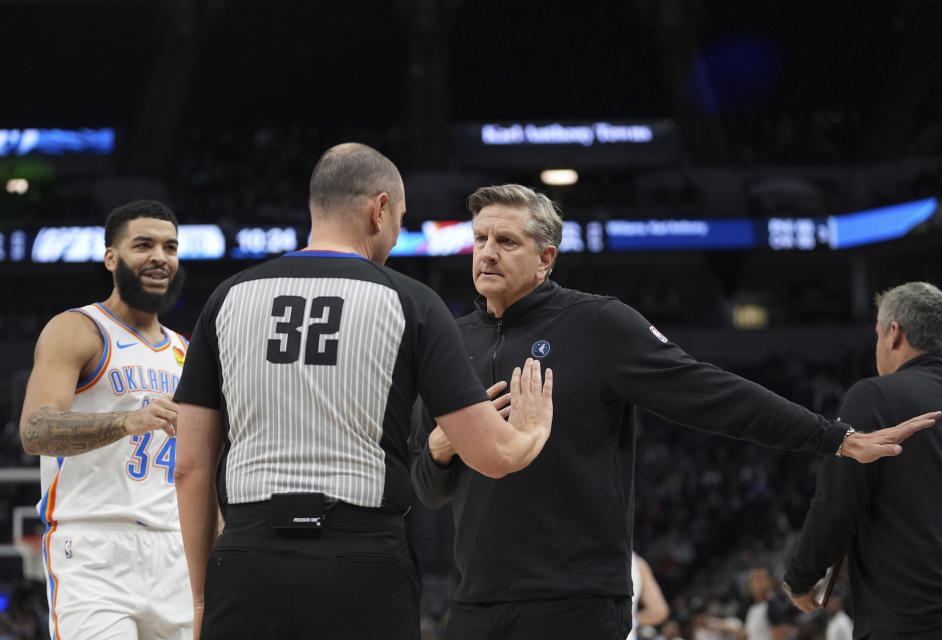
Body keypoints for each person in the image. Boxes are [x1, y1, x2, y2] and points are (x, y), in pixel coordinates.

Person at [409, 184, 941, 640]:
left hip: (575, 601)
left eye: (507, 241)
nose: (487, 253)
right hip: (476, 602)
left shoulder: (597, 325)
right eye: (480, 239)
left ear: (547, 258)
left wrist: (832, 436)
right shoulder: (452, 343)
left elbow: (711, 393)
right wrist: (440, 447)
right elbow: (429, 489)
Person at [172, 143, 554, 640]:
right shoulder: (411, 302)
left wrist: (202, 595)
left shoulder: (226, 298)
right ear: (378, 209)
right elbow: (492, 455)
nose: (395, 233)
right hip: (360, 561)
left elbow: (188, 467)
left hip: (246, 559)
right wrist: (532, 429)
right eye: (399, 217)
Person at [19, 199, 190, 639]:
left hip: (176, 548)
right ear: (111, 258)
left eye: (170, 248)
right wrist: (125, 423)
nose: (159, 257)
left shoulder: (186, 352)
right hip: (94, 547)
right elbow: (35, 432)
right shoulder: (78, 329)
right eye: (143, 245)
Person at [783, 281, 942, 639]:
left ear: (893, 333)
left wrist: (801, 578)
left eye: (878, 334)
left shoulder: (875, 396)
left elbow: (837, 501)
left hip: (909, 620)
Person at [627, 552, 670, 640]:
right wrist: (631, 620)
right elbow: (659, 611)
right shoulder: (636, 562)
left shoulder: (592, 554)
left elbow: (659, 611)